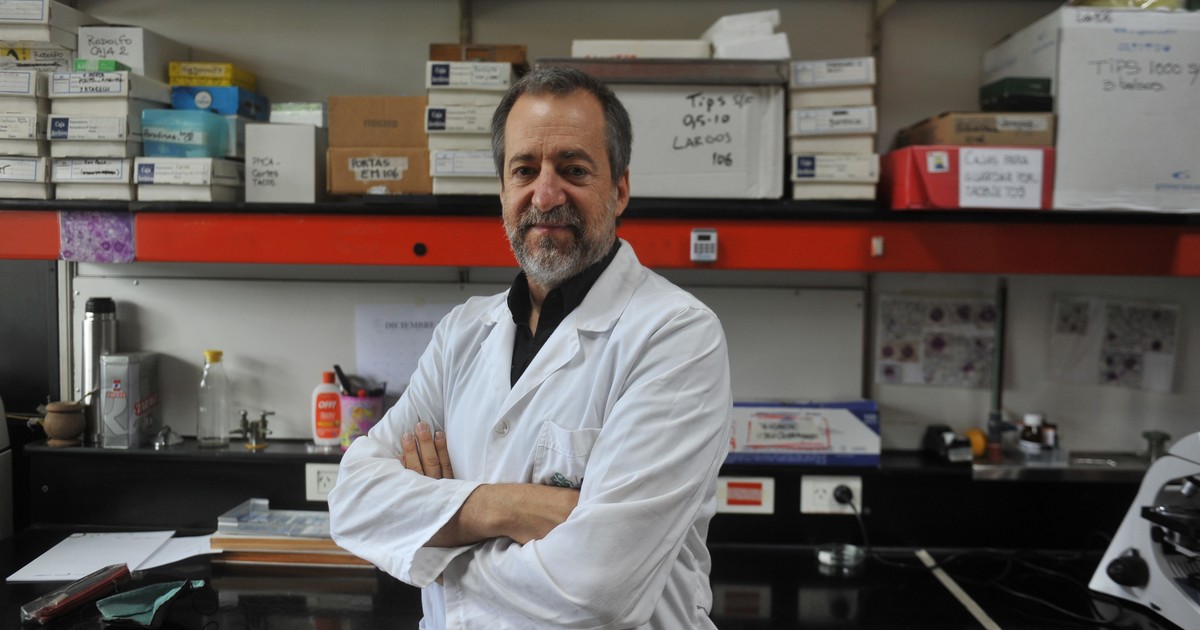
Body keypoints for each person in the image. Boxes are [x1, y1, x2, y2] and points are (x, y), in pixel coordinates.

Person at [328, 65, 732, 629]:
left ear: (619, 190)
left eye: (573, 169)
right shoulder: (462, 333)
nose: (545, 194)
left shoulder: (676, 336)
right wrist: (507, 508)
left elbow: (596, 589)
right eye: (524, 170)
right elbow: (352, 502)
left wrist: (431, 541)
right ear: (503, 190)